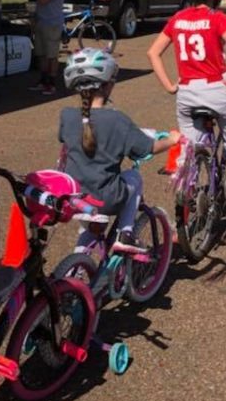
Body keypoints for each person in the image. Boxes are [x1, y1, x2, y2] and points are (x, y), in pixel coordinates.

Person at [146, 0, 226, 244]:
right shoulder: (217, 18)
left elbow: (153, 53)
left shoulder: (177, 19)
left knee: (190, 152)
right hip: (217, 90)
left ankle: (183, 218)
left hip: (187, 93)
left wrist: (170, 85)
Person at [59, 48, 181, 254]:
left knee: (90, 228)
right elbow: (147, 148)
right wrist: (171, 140)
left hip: (73, 196)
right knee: (133, 177)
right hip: (106, 197)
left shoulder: (67, 116)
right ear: (108, 85)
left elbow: (83, 137)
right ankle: (125, 234)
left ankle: (75, 269)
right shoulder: (117, 120)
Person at [29, 0, 65, 95]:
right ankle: (43, 80)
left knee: (51, 55)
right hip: (42, 21)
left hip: (52, 23)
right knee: (41, 53)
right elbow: (38, 3)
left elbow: (43, 0)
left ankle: (52, 83)